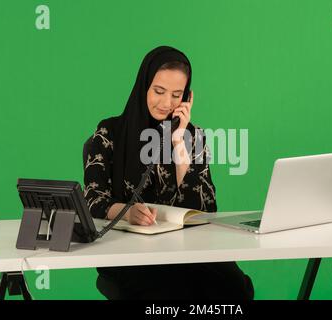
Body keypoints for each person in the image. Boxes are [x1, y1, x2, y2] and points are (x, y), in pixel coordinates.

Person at [83, 45, 254, 300]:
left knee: (236, 288)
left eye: (177, 95)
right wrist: (127, 212)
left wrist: (178, 143)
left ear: (187, 97)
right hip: (130, 254)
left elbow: (207, 207)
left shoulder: (192, 135)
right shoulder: (109, 133)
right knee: (173, 294)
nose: (166, 103)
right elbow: (93, 200)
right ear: (144, 87)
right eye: (159, 91)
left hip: (188, 252)